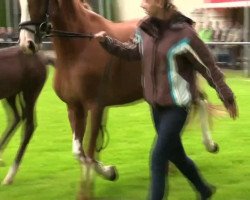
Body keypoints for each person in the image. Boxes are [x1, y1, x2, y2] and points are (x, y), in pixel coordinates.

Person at [94, 0, 238, 199]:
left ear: (161, 2)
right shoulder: (144, 29)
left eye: (146, 0)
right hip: (156, 107)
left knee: (158, 158)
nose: (142, 4)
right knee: (176, 155)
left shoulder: (185, 35)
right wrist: (107, 42)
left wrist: (227, 97)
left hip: (177, 108)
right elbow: (133, 52)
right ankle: (204, 190)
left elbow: (209, 67)